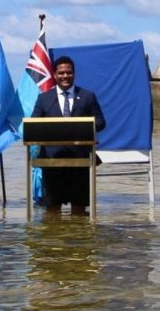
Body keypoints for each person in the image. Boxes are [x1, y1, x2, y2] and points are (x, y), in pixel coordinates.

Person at [31, 56, 106, 214]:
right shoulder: (44, 99)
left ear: (74, 74)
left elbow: (101, 122)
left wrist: (82, 128)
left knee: (79, 208)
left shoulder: (87, 96)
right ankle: (55, 238)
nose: (65, 76)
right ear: (55, 75)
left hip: (80, 160)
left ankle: (79, 238)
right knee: (52, 209)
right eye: (62, 73)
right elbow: (34, 123)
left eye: (69, 72)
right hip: (51, 161)